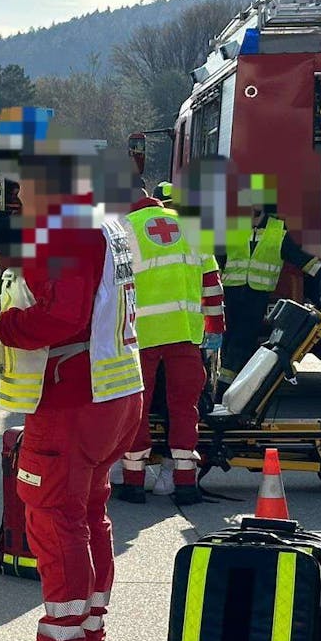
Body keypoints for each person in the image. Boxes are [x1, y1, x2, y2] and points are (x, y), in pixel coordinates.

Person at [0, 145, 143, 641]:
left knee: (54, 518)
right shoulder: (108, 225)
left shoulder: (63, 231)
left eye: (24, 188)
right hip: (117, 390)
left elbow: (63, 315)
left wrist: (2, 326)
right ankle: (88, 634)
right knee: (89, 516)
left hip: (74, 395)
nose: (17, 198)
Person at [115, 185, 224, 506]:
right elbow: (212, 285)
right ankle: (186, 483)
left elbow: (115, 286)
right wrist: (215, 328)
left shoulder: (123, 230)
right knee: (184, 409)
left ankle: (134, 483)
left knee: (137, 409)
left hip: (141, 337)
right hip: (185, 334)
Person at [216, 196, 321, 387]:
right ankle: (229, 388)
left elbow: (306, 262)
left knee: (241, 342)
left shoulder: (279, 230)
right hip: (230, 295)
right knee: (228, 342)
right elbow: (216, 261)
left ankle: (225, 389)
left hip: (255, 298)